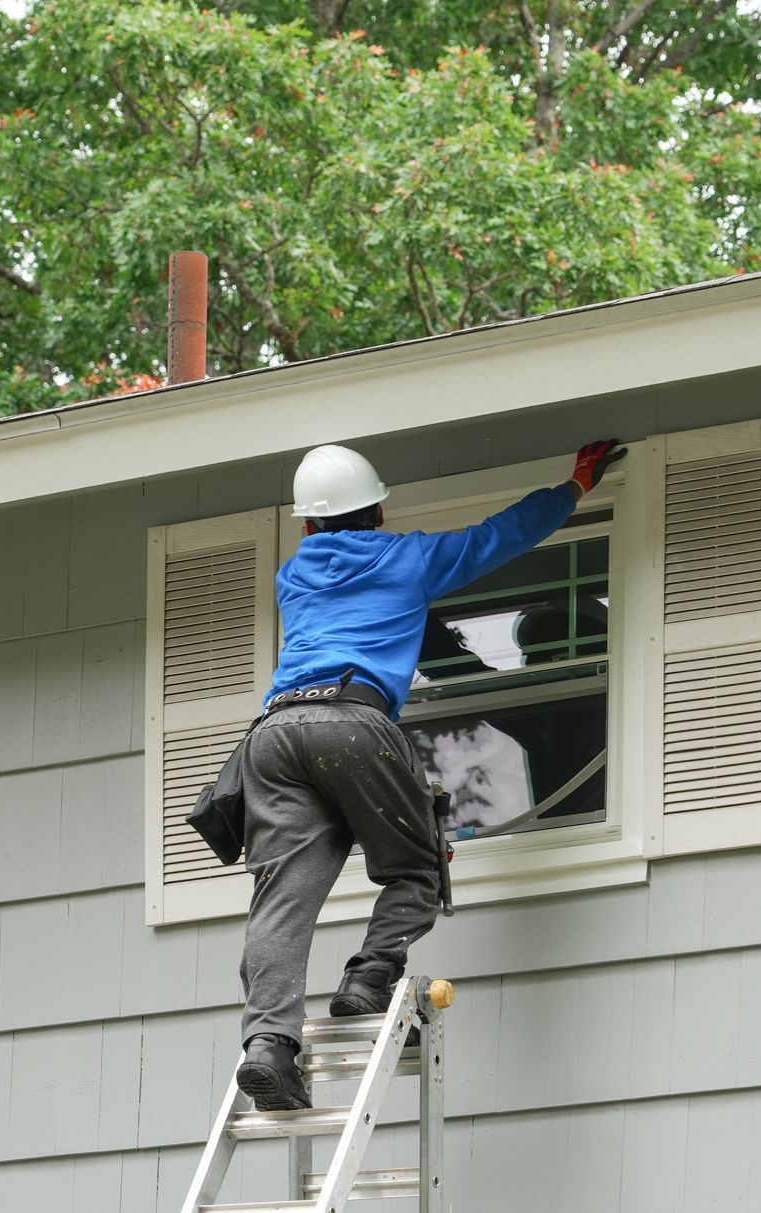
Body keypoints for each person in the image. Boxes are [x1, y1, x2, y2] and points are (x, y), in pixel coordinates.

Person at [234, 438, 626, 1110]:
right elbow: (499, 536)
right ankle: (372, 973)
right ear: (378, 512)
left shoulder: (293, 575)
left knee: (281, 900)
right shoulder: (408, 558)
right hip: (351, 722)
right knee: (417, 865)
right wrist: (575, 486)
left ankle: (268, 1045)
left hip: (272, 736)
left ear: (305, 524)